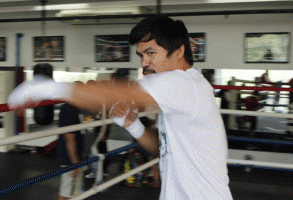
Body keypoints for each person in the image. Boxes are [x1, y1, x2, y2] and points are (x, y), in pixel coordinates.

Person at [8, 15, 233, 199]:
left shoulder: (183, 83)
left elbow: (115, 92)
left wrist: (47, 88)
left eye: (151, 53)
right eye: (141, 55)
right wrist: (134, 126)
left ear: (179, 51)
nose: (144, 62)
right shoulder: (182, 92)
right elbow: (161, 149)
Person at [57, 81, 85, 200]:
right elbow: (69, 139)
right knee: (66, 192)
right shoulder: (69, 110)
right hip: (69, 159)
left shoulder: (74, 108)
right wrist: (75, 163)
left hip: (73, 157)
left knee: (72, 191)